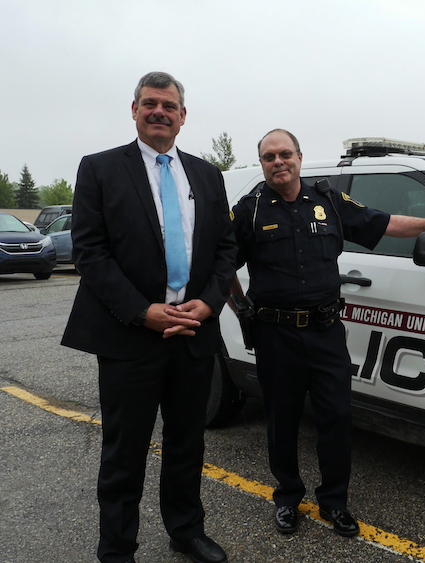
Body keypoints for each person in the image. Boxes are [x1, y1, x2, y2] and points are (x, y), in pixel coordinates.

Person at [230, 129, 425, 537]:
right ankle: (288, 498)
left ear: (299, 157)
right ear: (262, 163)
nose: (279, 162)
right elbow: (221, 264)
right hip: (276, 335)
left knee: (336, 416)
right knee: (282, 420)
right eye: (270, 156)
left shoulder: (327, 200)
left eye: (285, 154)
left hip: (327, 332)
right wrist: (240, 309)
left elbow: (383, 223)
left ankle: (334, 503)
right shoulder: (249, 209)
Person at [62, 72, 236, 563]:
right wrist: (142, 312)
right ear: (134, 110)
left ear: (183, 116)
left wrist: (209, 301)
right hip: (129, 337)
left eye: (169, 105)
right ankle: (117, 548)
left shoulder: (207, 175)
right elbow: (89, 252)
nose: (160, 111)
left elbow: (226, 248)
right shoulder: (99, 169)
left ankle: (186, 529)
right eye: (150, 103)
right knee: (125, 452)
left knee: (187, 444)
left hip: (193, 334)